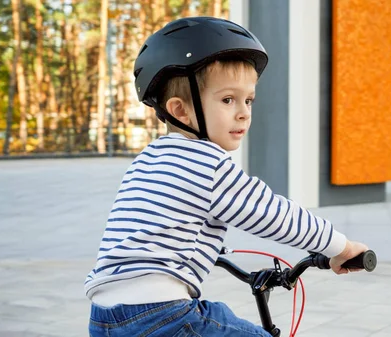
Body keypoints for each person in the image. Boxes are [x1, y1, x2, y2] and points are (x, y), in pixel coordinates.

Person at [85, 16, 369, 337]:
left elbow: (153, 223)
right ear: (180, 111)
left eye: (249, 100)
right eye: (228, 99)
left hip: (105, 318)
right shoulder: (207, 162)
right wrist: (341, 248)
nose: (244, 111)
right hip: (162, 314)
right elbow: (274, 215)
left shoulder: (147, 160)